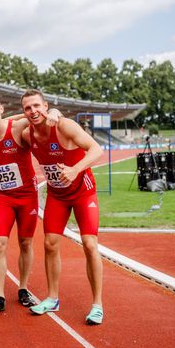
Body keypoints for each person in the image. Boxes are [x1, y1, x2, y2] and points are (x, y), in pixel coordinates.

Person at [21, 89, 104, 325]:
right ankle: (52, 298)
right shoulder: (28, 134)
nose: (33, 111)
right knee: (49, 244)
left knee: (89, 244)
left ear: (45, 106)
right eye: (27, 108)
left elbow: (96, 149)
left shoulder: (64, 126)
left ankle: (97, 304)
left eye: (37, 106)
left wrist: (75, 169)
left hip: (82, 192)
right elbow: (5, 121)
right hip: (57, 195)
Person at [0, 92, 60, 316]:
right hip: (3, 197)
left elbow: (42, 113)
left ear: (2, 108)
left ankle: (23, 288)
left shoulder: (17, 125)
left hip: (26, 196)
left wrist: (55, 112)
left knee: (25, 243)